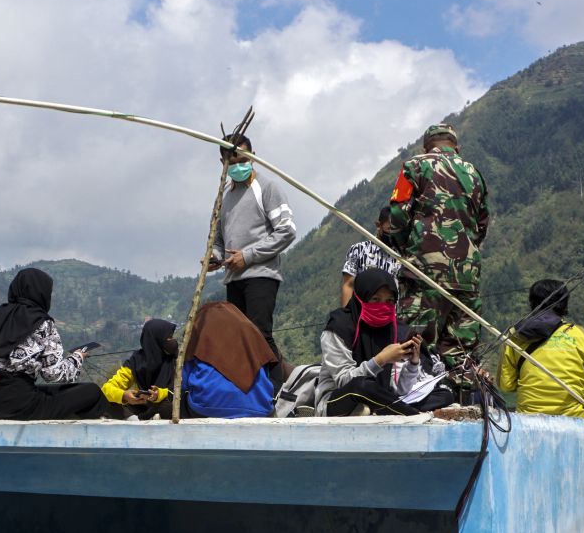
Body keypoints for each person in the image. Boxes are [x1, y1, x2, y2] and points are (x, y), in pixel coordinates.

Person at [384, 123, 489, 391]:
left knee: (416, 345)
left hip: (424, 272)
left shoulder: (415, 166)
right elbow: (482, 225)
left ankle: (415, 402)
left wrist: (402, 248)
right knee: (461, 355)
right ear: (457, 147)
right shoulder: (474, 174)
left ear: (426, 146)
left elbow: (396, 216)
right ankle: (461, 405)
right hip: (466, 275)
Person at [0, 268, 107, 420]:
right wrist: (77, 357)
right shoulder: (43, 323)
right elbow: (54, 375)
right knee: (92, 392)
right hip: (24, 406)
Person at [207, 132, 296, 376]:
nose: (238, 166)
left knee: (259, 334)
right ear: (223, 163)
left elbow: (287, 231)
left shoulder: (267, 188)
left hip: (261, 274)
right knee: (240, 338)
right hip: (234, 278)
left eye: (242, 160)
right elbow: (218, 239)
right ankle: (254, 391)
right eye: (232, 163)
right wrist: (215, 257)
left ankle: (280, 388)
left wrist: (247, 255)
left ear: (253, 156)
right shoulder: (224, 197)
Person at [316, 269, 455, 416]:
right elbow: (344, 381)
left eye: (389, 301)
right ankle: (411, 415)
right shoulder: (338, 327)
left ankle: (388, 410)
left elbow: (400, 390)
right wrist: (381, 359)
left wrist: (413, 363)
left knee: (445, 394)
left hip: (381, 398)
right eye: (375, 299)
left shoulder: (391, 329)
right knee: (361, 386)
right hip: (338, 401)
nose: (382, 306)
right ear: (361, 297)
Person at [495, 279, 584, 418]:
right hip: (575, 419)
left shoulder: (514, 335)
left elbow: (506, 385)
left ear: (532, 303)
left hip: (530, 420)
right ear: (564, 303)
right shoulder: (582, 336)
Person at [180, 302, 278, 418]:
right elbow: (266, 373)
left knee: (181, 399)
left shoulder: (200, 332)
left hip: (205, 408)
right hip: (259, 409)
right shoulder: (251, 333)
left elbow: (183, 381)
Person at [101, 319, 178, 420]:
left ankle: (143, 418)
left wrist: (159, 394)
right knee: (107, 403)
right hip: (144, 406)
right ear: (157, 340)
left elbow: (180, 389)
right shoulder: (136, 362)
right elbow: (106, 389)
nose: (173, 341)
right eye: (169, 338)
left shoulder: (176, 360)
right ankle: (137, 419)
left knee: (167, 405)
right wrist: (124, 395)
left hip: (166, 406)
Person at [340, 206, 401, 307]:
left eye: (396, 230)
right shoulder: (359, 250)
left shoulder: (403, 257)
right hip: (363, 314)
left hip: (391, 317)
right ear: (378, 225)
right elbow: (348, 285)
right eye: (389, 229)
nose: (393, 233)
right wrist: (347, 316)